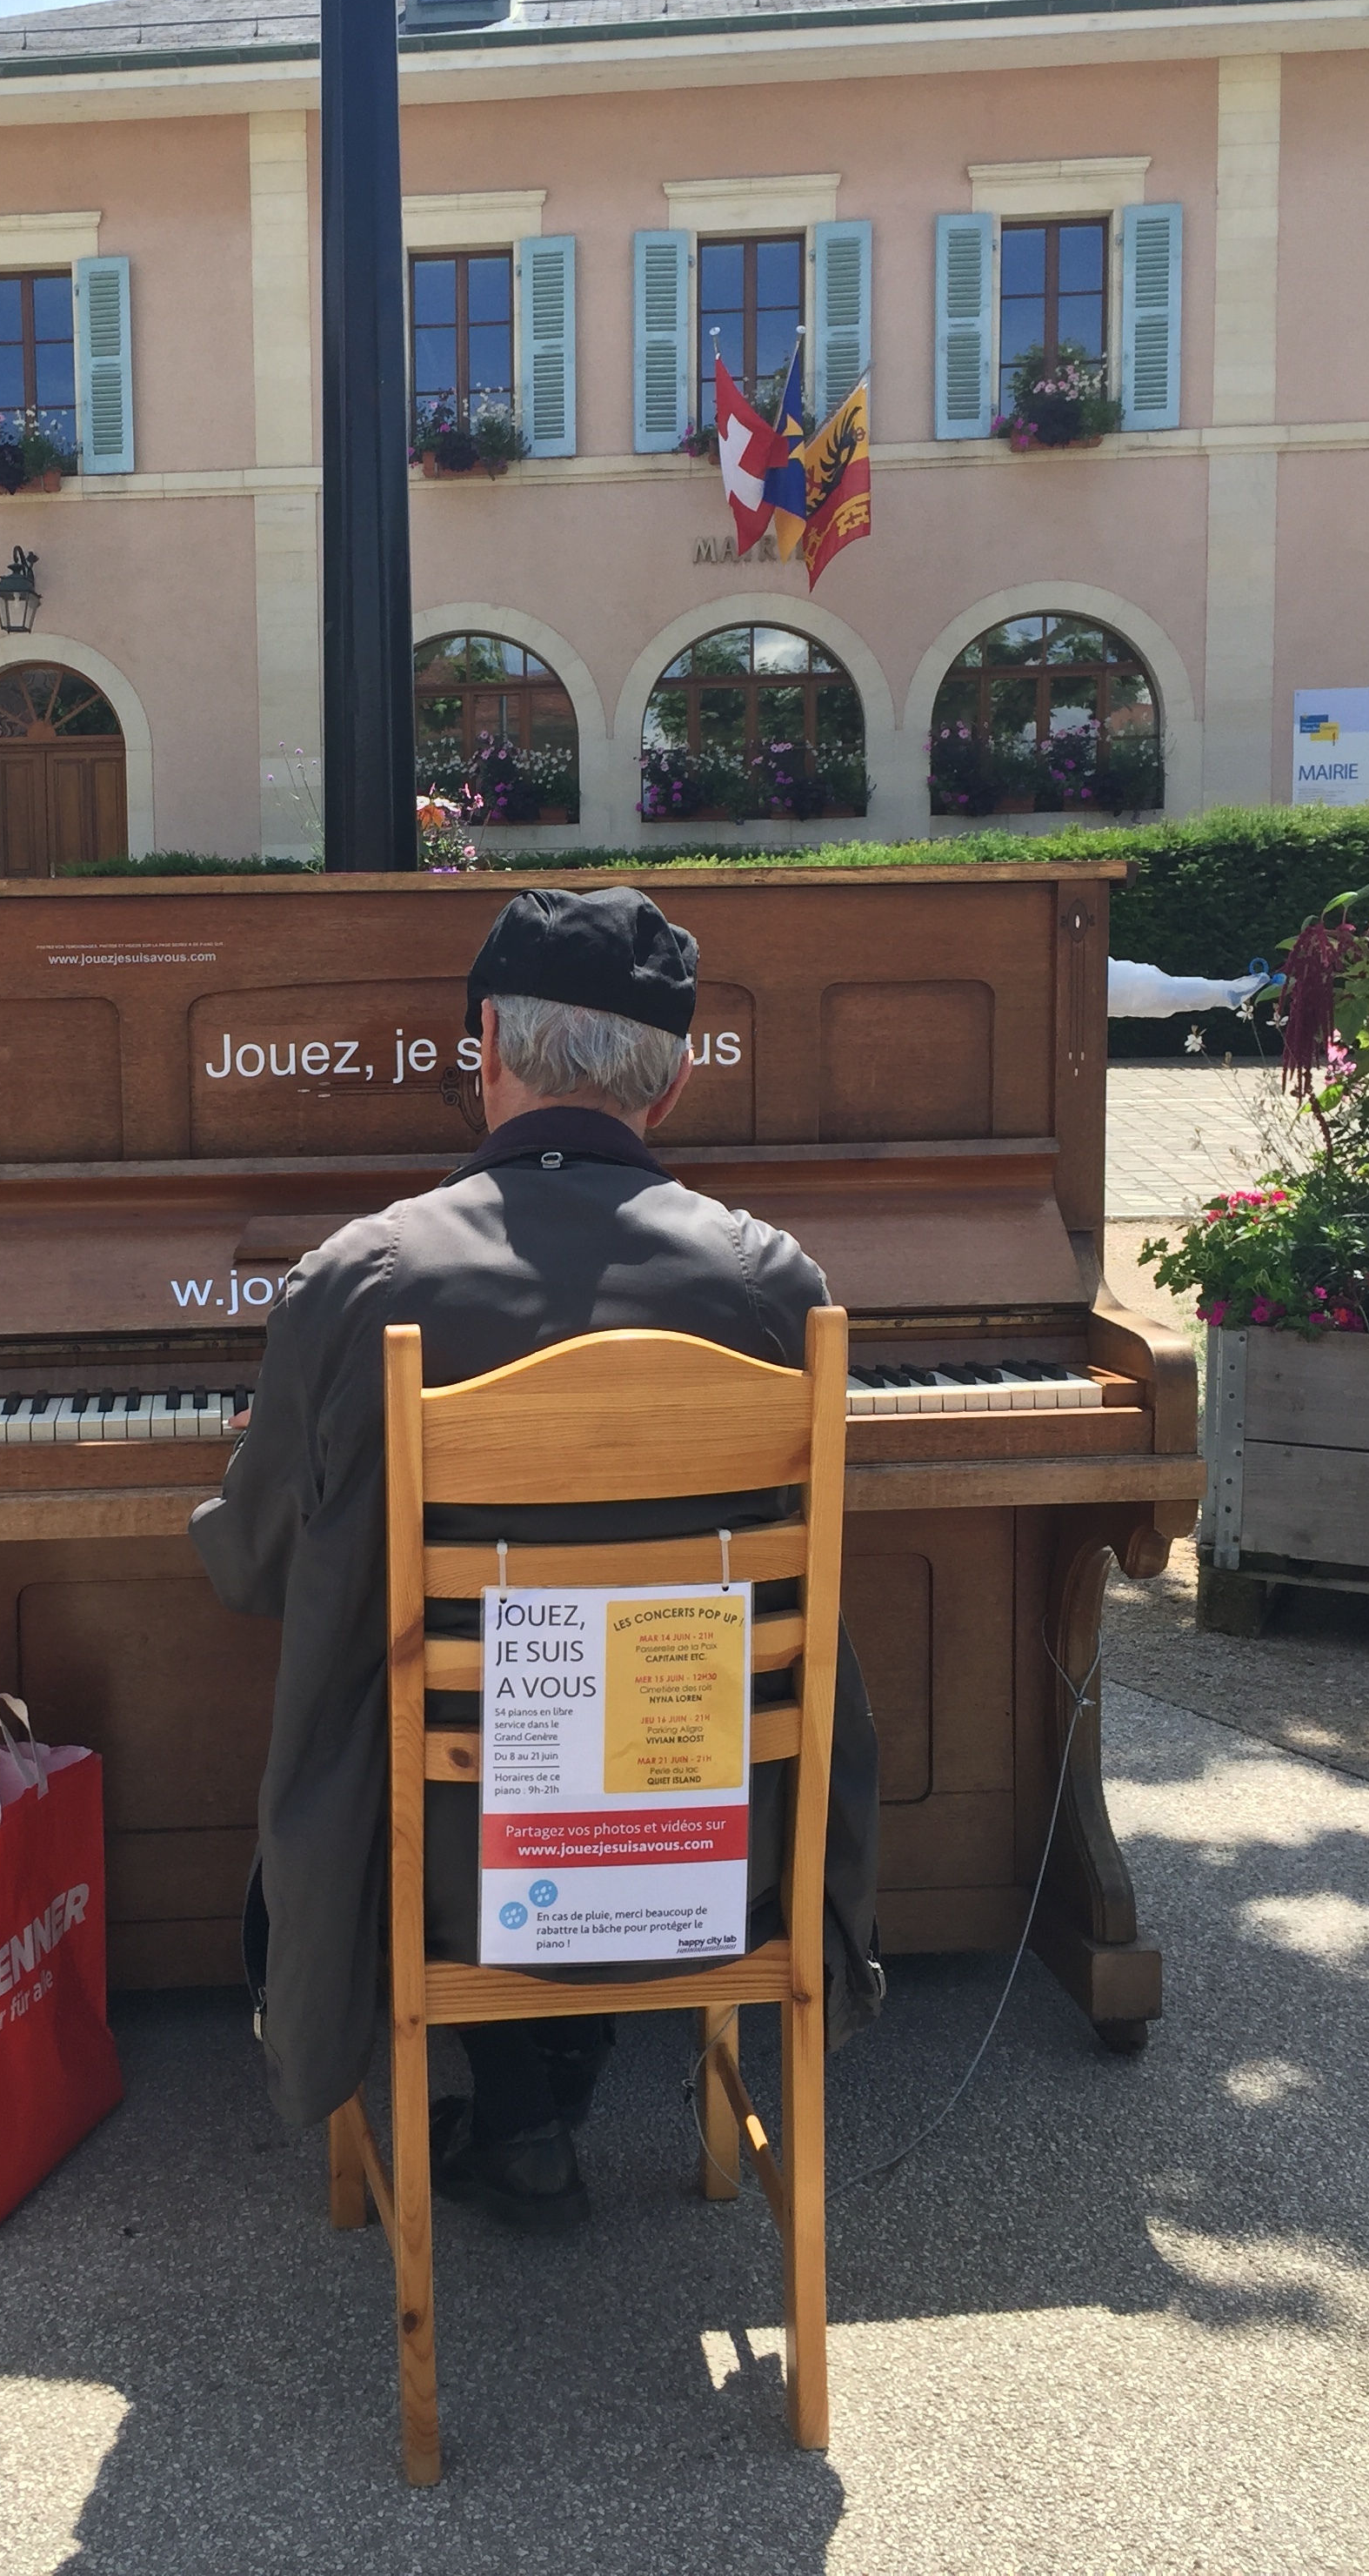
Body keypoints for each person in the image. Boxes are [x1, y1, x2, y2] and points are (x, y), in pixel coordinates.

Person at [192, 885, 884, 2232]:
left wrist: (302, 1457)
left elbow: (257, 1567)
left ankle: (521, 2084)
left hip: (439, 1862)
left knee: (427, 1743)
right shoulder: (776, 1283)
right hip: (713, 1842)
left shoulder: (361, 1278)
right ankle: (558, 2074)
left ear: (488, 1047)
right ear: (671, 1090)